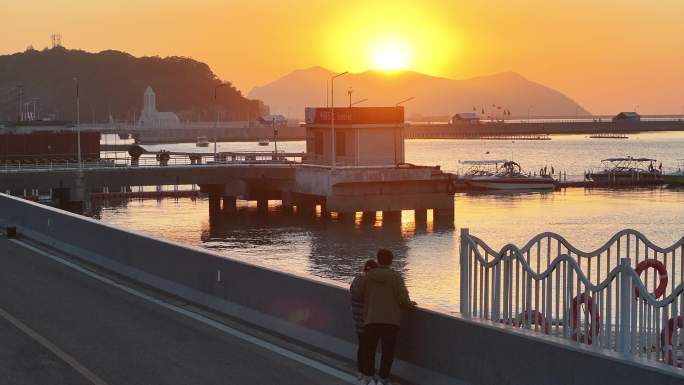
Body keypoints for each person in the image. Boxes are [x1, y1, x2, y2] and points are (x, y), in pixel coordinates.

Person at [352, 249, 416, 385]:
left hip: (371, 319)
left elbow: (357, 294)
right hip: (391, 321)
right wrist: (411, 305)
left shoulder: (368, 276)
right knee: (388, 352)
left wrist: (359, 278)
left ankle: (368, 376)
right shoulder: (396, 277)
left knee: (369, 349)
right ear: (391, 261)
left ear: (378, 259)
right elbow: (403, 299)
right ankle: (383, 377)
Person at [350, 259, 378, 381]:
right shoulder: (372, 284)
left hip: (357, 319)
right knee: (371, 348)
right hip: (369, 320)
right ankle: (369, 374)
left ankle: (360, 371)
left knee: (362, 346)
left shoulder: (356, 281)